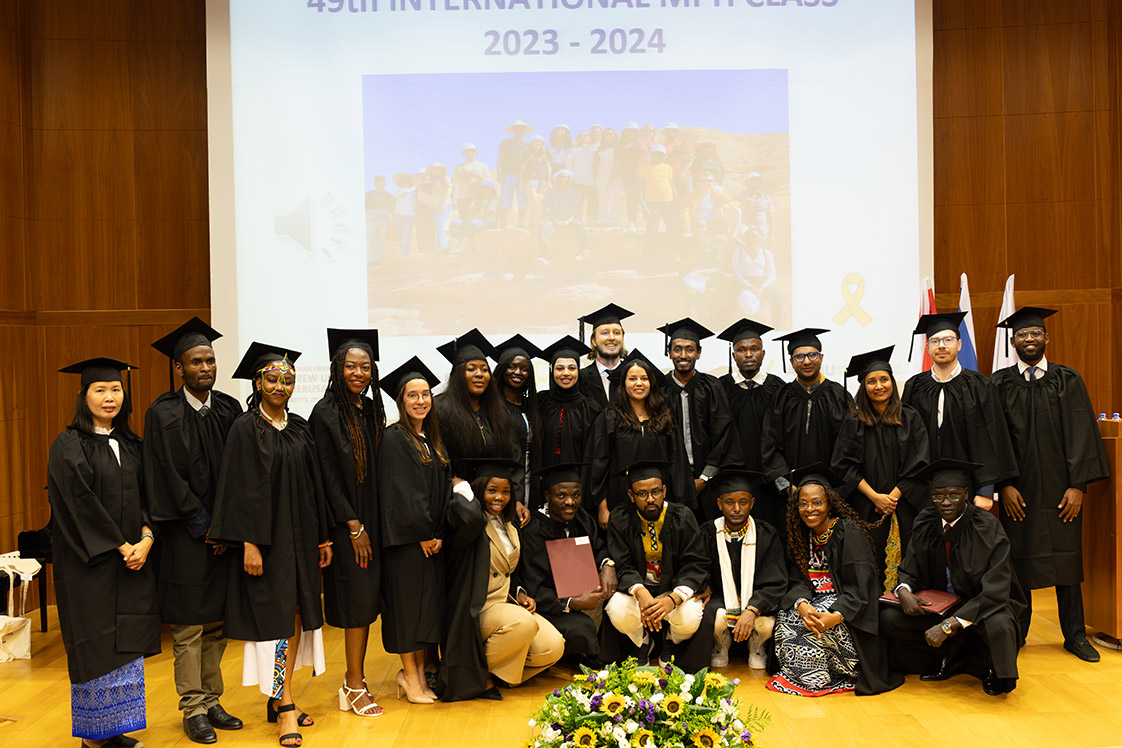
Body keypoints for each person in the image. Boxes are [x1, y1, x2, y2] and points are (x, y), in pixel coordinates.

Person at [209, 343, 332, 748]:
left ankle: (283, 695)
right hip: (266, 543)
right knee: (274, 621)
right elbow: (237, 490)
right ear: (258, 382)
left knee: (297, 612)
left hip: (301, 540)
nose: (281, 386)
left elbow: (314, 487)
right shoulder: (245, 429)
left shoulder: (297, 427)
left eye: (288, 380)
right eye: (273, 379)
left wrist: (322, 538)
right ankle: (284, 708)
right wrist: (249, 544)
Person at [50, 358, 160, 748]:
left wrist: (146, 538)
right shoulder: (68, 445)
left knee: (126, 646)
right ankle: (93, 740)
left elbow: (150, 499)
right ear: (84, 396)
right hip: (90, 568)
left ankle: (114, 731)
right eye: (100, 390)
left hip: (133, 564)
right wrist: (122, 544)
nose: (109, 397)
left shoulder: (132, 445)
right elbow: (80, 505)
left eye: (115, 389)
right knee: (96, 647)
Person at [990, 307, 1109, 661]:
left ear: (1046, 338)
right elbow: (994, 438)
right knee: (1019, 562)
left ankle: (1074, 635)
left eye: (1035, 334)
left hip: (1062, 491)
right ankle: (1019, 633)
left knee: (1068, 562)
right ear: (1013, 342)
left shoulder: (1067, 380)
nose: (1029, 340)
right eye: (1023, 335)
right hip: (1019, 492)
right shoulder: (999, 384)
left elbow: (1083, 432)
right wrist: (1004, 485)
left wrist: (1078, 486)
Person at [145, 319, 243, 744]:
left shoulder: (227, 409)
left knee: (218, 623)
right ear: (178, 368)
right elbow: (162, 474)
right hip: (186, 535)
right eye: (196, 361)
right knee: (188, 627)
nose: (205, 367)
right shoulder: (162, 413)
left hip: (224, 534)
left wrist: (226, 526)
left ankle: (213, 698)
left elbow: (239, 473)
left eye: (210, 360)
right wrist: (203, 523)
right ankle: (192, 707)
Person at [881, 459, 1026, 696]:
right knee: (889, 617)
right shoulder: (927, 522)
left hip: (983, 606)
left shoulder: (987, 526)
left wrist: (950, 625)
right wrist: (904, 591)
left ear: (966, 494)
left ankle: (995, 671)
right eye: (938, 496)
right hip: (943, 605)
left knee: (998, 623)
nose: (945, 502)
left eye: (953, 495)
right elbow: (910, 567)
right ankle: (952, 656)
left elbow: (996, 589)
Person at [768, 465, 902, 697]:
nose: (810, 509)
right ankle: (811, 676)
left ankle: (834, 673)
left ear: (829, 503)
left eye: (817, 502)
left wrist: (835, 616)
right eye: (803, 503)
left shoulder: (847, 533)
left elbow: (862, 588)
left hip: (849, 611)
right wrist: (801, 604)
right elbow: (795, 578)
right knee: (787, 617)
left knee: (812, 626)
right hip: (814, 601)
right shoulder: (801, 536)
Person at [309, 329, 386, 718]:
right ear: (337, 369)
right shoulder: (325, 413)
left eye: (365, 367)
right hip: (347, 523)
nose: (358, 372)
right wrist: (354, 526)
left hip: (373, 516)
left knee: (368, 601)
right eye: (350, 366)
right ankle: (353, 684)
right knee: (356, 604)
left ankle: (357, 679)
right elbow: (326, 477)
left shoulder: (372, 409)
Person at [376, 356, 452, 705]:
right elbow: (402, 492)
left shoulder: (430, 438)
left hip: (430, 540)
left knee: (424, 612)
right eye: (412, 395)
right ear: (401, 401)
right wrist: (423, 532)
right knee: (408, 612)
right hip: (407, 543)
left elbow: (440, 488)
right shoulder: (395, 438)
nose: (421, 400)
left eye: (425, 394)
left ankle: (418, 677)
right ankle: (410, 676)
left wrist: (438, 532)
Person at [832, 346, 930, 591]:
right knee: (868, 562)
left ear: (892, 382)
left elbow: (919, 463)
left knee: (908, 560)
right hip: (865, 506)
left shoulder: (910, 417)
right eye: (871, 381)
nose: (879, 386)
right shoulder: (854, 422)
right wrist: (875, 497)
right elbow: (843, 465)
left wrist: (892, 498)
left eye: (884, 380)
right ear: (863, 387)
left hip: (904, 505)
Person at [901, 312, 1019, 511]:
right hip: (924, 486)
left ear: (959, 344)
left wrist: (986, 490)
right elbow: (905, 438)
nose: (941, 345)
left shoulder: (979, 385)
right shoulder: (915, 386)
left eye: (948, 339)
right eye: (935, 341)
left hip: (969, 486)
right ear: (928, 347)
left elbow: (990, 437)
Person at [603, 460, 709, 671]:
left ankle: (671, 641)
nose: (650, 499)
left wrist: (673, 599)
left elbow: (695, 563)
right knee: (616, 608)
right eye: (642, 494)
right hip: (639, 591)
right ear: (631, 496)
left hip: (672, 589)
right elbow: (622, 563)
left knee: (689, 617)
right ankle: (643, 641)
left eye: (656, 492)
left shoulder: (683, 516)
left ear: (664, 491)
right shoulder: (620, 518)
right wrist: (642, 595)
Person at [471, 458, 565, 690]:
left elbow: (508, 572)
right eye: (492, 491)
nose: (499, 498)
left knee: (554, 646)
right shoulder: (471, 523)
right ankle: (466, 670)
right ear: (479, 490)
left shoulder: (509, 525)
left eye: (505, 492)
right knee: (523, 623)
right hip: (479, 607)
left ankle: (500, 674)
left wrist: (520, 593)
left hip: (505, 602)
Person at [518, 462, 618, 667]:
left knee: (612, 605)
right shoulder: (533, 531)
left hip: (584, 598)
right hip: (548, 607)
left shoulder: (581, 519)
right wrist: (571, 603)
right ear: (547, 496)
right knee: (582, 628)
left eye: (576, 495)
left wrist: (608, 564)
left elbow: (599, 548)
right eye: (561, 496)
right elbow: (533, 587)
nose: (570, 502)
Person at [699, 469, 788, 669]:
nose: (737, 508)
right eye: (730, 502)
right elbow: (697, 567)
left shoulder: (766, 534)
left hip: (757, 600)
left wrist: (752, 608)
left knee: (768, 622)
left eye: (743, 502)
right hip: (721, 600)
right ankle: (720, 643)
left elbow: (776, 580)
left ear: (752, 503)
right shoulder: (707, 533)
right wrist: (703, 585)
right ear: (720, 504)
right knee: (708, 615)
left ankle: (757, 644)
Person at [587, 350, 682, 529]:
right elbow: (599, 465)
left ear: (651, 383)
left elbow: (676, 464)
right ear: (623, 384)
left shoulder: (664, 417)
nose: (639, 383)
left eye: (644, 378)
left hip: (659, 505)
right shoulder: (610, 417)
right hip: (619, 503)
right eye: (632, 379)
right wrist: (602, 507)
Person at [658, 317, 740, 518]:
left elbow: (724, 433)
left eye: (689, 349)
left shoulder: (712, 387)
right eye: (677, 349)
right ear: (669, 353)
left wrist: (705, 477)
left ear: (699, 353)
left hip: (709, 482)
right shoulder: (658, 389)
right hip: (669, 483)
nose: (683, 355)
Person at [761, 328, 854, 500]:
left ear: (821, 357)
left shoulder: (839, 396)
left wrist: (832, 491)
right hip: (791, 491)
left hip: (832, 491)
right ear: (791, 361)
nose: (806, 361)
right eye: (799, 356)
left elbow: (849, 446)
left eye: (812, 355)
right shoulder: (781, 398)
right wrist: (788, 486)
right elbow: (770, 446)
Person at [716, 318, 786, 532]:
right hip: (732, 479)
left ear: (763, 354)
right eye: (742, 349)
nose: (748, 354)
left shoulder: (779, 388)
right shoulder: (720, 388)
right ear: (733, 355)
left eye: (754, 349)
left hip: (771, 482)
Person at [433, 329, 516, 481]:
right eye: (471, 369)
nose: (479, 374)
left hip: (493, 494)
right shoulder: (440, 408)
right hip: (456, 494)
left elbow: (508, 457)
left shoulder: (498, 411)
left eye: (484, 369)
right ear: (458, 374)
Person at [536, 335, 598, 483]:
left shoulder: (591, 409)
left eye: (572, 368)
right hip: (543, 483)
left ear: (578, 371)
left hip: (580, 485)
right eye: (559, 368)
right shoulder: (539, 403)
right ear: (552, 371)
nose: (566, 373)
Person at [492, 335, 544, 511]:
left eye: (524, 369)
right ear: (502, 369)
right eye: (512, 367)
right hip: (507, 483)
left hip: (530, 475)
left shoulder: (531, 407)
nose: (518, 372)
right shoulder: (493, 407)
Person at [577, 303, 633, 411]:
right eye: (605, 333)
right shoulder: (581, 379)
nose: (611, 337)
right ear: (593, 341)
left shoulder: (634, 375)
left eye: (616, 333)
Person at [537, 170, 588, 264]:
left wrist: (569, 220)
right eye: (560, 177)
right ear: (556, 179)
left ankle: (582, 251)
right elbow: (546, 208)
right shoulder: (550, 192)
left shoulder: (575, 193)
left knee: (580, 228)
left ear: (569, 179)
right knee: (543, 228)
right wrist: (555, 220)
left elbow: (578, 209)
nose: (563, 179)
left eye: (565, 177)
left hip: (571, 220)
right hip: (554, 220)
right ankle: (542, 256)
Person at [496, 119, 532, 228]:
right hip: (507, 175)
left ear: (524, 131)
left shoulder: (528, 145)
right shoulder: (505, 143)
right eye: (517, 129)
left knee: (522, 199)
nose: (519, 131)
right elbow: (500, 159)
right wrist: (499, 173)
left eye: (521, 129)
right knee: (505, 199)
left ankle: (520, 223)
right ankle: (502, 224)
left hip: (522, 177)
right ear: (513, 130)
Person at [452, 143, 491, 222]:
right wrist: (463, 178)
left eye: (472, 151)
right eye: (468, 151)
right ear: (464, 154)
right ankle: (463, 233)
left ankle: (473, 233)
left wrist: (480, 179)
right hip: (463, 195)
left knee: (475, 216)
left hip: (478, 196)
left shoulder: (482, 166)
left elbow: (489, 179)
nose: (470, 153)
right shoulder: (459, 166)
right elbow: (453, 180)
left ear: (475, 153)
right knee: (463, 217)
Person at [364, 175, 394, 262]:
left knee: (381, 240)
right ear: (374, 182)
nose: (379, 182)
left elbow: (392, 209)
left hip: (384, 221)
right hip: (370, 221)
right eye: (377, 180)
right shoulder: (368, 195)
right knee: (369, 239)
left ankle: (377, 258)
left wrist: (390, 220)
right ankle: (368, 258)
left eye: (381, 180)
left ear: (385, 182)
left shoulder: (389, 196)